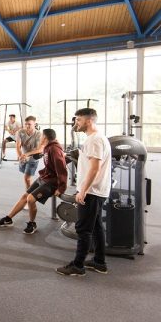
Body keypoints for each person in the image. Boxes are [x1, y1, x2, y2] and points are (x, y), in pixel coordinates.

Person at [56, 108, 111, 276]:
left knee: (83, 229)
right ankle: (99, 262)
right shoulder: (97, 138)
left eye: (78, 120)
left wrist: (83, 191)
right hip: (97, 190)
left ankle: (78, 266)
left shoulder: (94, 140)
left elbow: (95, 168)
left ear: (88, 121)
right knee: (96, 228)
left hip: (92, 192)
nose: (76, 124)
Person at [0, 128, 67, 234]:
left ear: (45, 137)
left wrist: (61, 188)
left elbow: (62, 169)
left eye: (42, 136)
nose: (40, 137)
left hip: (52, 182)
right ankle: (8, 219)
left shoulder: (54, 149)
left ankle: (32, 223)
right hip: (45, 177)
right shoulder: (47, 147)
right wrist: (26, 155)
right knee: (25, 196)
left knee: (30, 199)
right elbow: (43, 154)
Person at [15, 116, 41, 190]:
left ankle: (30, 195)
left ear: (34, 124)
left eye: (29, 124)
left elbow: (39, 149)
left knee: (27, 178)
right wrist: (20, 156)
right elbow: (18, 145)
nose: (27, 126)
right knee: (25, 174)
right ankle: (31, 192)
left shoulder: (38, 134)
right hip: (23, 157)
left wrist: (26, 154)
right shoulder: (20, 132)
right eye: (25, 124)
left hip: (33, 158)